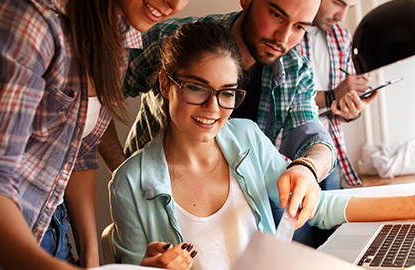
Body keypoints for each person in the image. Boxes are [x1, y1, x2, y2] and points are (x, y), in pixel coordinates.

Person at [109, 21, 415, 270]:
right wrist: (149, 266)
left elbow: (317, 206)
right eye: (196, 88)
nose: (212, 108)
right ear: (165, 83)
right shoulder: (129, 185)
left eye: (226, 94)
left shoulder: (246, 139)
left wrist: (414, 205)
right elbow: (133, 267)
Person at [101, 0, 337, 229]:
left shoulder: (295, 71)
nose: (283, 38)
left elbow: (314, 138)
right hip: (157, 208)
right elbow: (94, 98)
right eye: (277, 15)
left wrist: (307, 168)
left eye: (299, 27)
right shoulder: (172, 40)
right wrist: (125, 172)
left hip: (240, 214)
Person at [0, 0, 188, 269]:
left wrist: (91, 263)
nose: (176, 4)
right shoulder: (35, 20)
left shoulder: (122, 31)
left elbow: (80, 154)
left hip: (52, 234)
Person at [295, 0, 378, 190]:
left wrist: (352, 109)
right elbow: (284, 99)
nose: (342, 16)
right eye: (338, 3)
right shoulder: (285, 34)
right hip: (289, 157)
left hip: (333, 152)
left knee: (331, 220)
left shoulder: (342, 36)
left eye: (350, 8)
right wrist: (333, 95)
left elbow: (341, 105)